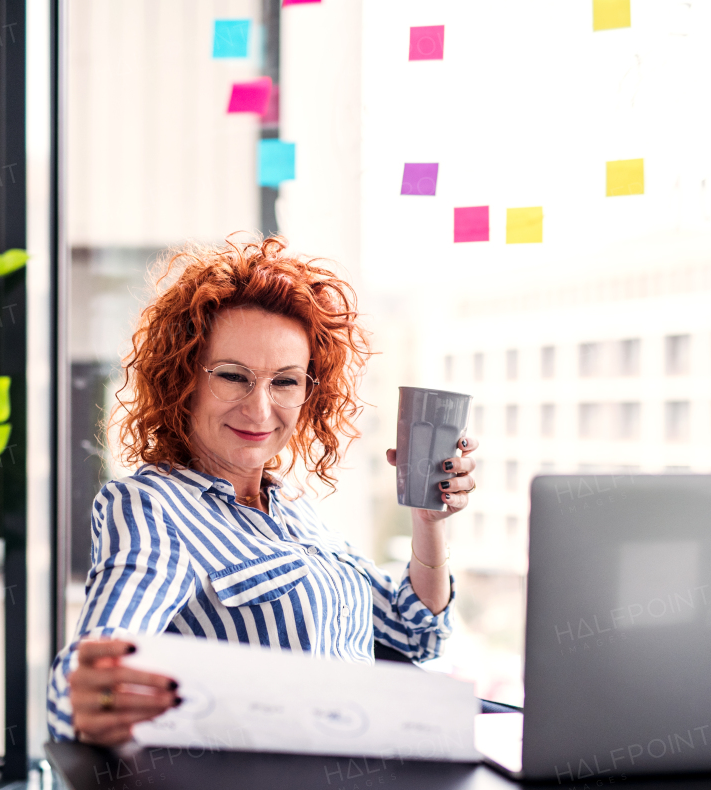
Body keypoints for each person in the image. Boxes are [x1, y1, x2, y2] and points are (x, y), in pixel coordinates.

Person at [47, 236, 479, 745]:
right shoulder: (152, 506)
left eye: (285, 382)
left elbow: (418, 633)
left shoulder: (296, 510)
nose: (259, 409)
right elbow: (97, 657)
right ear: (182, 380)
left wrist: (428, 523)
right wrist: (85, 697)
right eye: (233, 376)